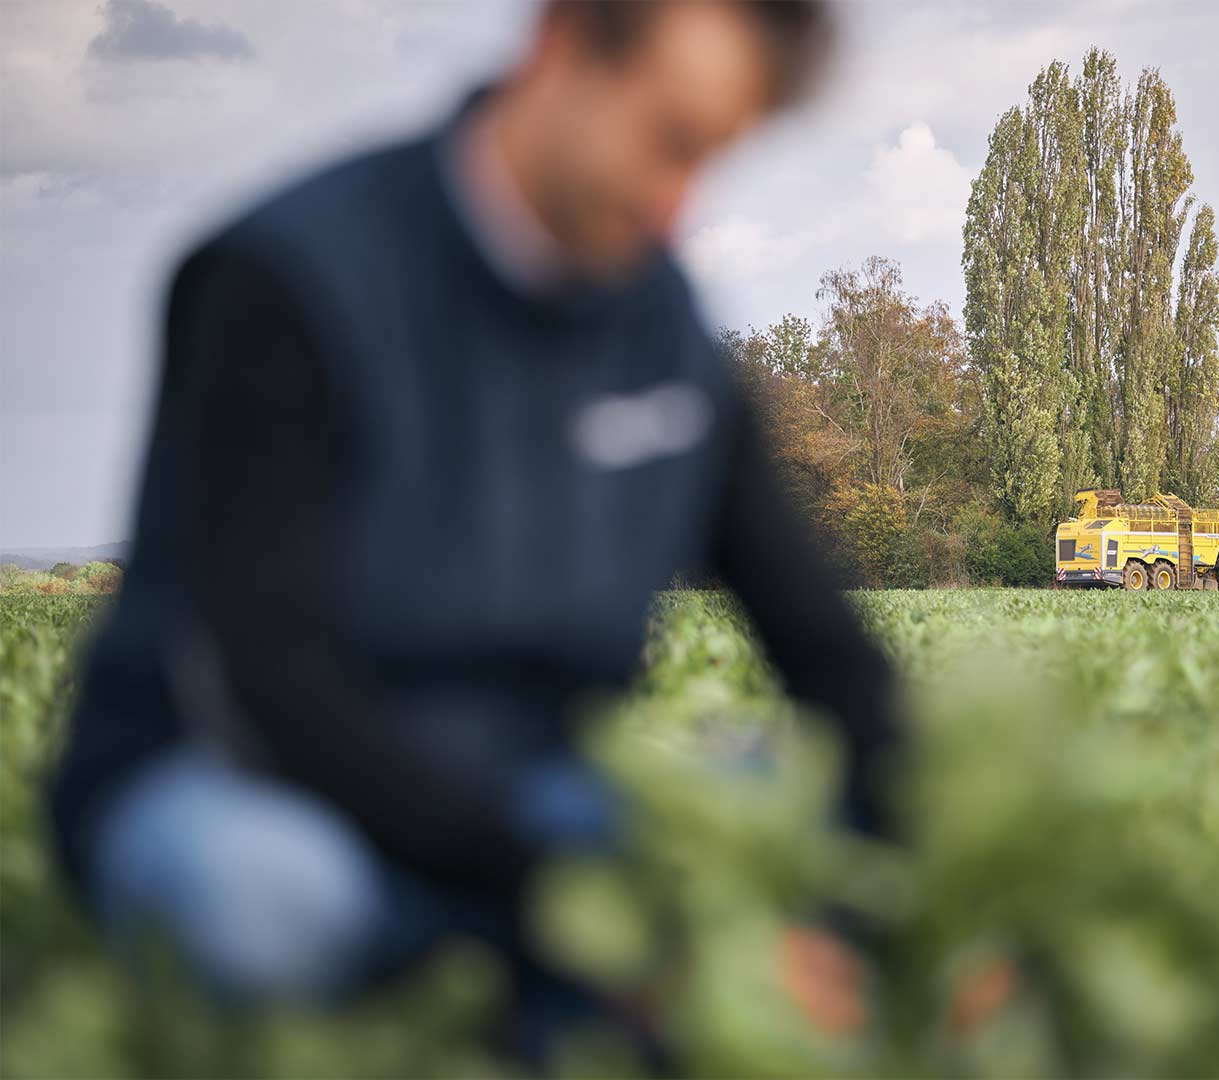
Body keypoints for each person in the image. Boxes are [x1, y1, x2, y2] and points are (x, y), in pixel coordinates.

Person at [47, 0, 902, 1060]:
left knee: (793, 800)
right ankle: (540, 981)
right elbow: (271, 686)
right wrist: (574, 903)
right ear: (561, 43)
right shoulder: (289, 278)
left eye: (714, 158)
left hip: (533, 790)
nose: (679, 203)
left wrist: (931, 865)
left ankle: (513, 971)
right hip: (257, 785)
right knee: (259, 902)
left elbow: (815, 635)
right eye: (668, 140)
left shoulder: (658, 319)